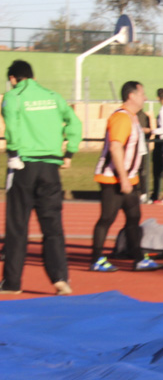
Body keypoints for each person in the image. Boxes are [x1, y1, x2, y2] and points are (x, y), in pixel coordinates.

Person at [1, 60, 82, 296]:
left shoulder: (13, 96)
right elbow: (74, 123)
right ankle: (60, 279)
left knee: (17, 226)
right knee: (53, 227)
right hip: (50, 167)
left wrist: (14, 151)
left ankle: (13, 282)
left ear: (14, 79)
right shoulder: (53, 96)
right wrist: (70, 152)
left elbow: (12, 126)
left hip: (23, 165)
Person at [89, 81, 163, 273]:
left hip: (129, 179)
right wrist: (122, 178)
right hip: (113, 179)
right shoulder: (121, 118)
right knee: (107, 218)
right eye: (142, 93)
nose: (145, 97)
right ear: (131, 95)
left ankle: (138, 258)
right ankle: (96, 258)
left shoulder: (133, 118)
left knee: (134, 217)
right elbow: (115, 147)